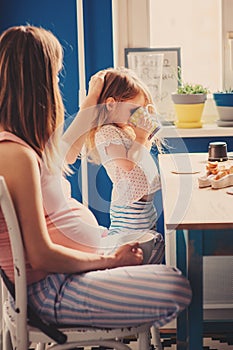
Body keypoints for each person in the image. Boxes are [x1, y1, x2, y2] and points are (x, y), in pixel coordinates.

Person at [0, 25, 191, 328]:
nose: (56, 83)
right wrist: (112, 260)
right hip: (53, 287)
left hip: (67, 271)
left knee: (170, 265)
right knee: (176, 284)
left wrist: (91, 104)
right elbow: (40, 255)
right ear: (39, 81)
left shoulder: (27, 145)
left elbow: (65, 154)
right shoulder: (15, 155)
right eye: (55, 74)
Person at [85, 67, 164, 262]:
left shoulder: (128, 130)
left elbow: (141, 154)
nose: (136, 115)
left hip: (144, 211)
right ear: (111, 105)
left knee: (150, 249)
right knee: (135, 252)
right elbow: (127, 164)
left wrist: (146, 135)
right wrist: (141, 136)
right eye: (133, 110)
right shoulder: (106, 133)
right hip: (129, 212)